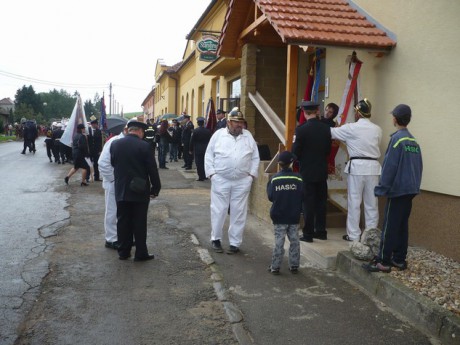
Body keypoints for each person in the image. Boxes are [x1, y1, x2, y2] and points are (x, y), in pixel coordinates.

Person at [363, 104, 423, 273]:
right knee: (402, 225)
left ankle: (383, 260)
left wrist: (382, 188)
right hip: (411, 189)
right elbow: (419, 167)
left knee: (390, 225)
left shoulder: (397, 140)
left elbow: (390, 166)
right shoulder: (413, 141)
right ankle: (399, 259)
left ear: (395, 119)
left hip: (398, 190)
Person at [205, 108, 260, 253]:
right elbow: (208, 155)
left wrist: (251, 175)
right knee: (219, 210)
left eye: (241, 122)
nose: (239, 125)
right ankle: (216, 239)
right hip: (221, 179)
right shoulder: (218, 135)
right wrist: (212, 175)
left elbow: (255, 157)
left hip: (242, 181)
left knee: (239, 211)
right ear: (229, 122)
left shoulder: (248, 136)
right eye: (236, 122)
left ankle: (235, 243)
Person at [331, 98, 382, 241]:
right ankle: (370, 236)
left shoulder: (351, 127)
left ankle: (354, 235)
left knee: (354, 202)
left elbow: (332, 133)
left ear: (358, 113)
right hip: (373, 168)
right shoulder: (378, 129)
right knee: (372, 204)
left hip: (357, 167)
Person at [110, 119, 161, 261]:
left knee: (122, 221)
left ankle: (123, 252)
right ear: (139, 131)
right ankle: (140, 253)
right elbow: (152, 170)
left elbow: (113, 163)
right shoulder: (144, 146)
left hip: (121, 188)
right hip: (139, 189)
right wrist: (155, 188)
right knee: (139, 222)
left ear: (128, 130)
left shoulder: (115, 144)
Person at [292, 101, 332, 242]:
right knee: (321, 202)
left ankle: (308, 233)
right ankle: (321, 231)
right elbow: (328, 150)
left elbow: (295, 152)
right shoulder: (326, 128)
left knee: (308, 203)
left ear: (304, 112)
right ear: (316, 111)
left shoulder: (301, 130)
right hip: (321, 169)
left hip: (307, 171)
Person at [266, 151, 303, 274]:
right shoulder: (298, 178)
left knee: (279, 242)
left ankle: (275, 267)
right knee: (294, 241)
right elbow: (303, 195)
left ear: (279, 164)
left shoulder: (274, 179)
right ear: (291, 163)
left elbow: (270, 197)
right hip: (293, 215)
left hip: (279, 215)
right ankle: (294, 266)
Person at [98, 125, 128, 250]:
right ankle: (111, 239)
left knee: (121, 212)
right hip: (114, 182)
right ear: (126, 130)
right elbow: (102, 163)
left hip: (121, 182)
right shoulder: (114, 142)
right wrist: (113, 179)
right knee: (112, 211)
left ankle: (120, 237)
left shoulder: (124, 142)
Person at [190, 117, 212, 181]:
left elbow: (192, 141)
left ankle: (200, 176)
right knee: (205, 162)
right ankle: (205, 175)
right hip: (206, 149)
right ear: (203, 123)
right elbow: (210, 140)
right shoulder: (208, 131)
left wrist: (190, 149)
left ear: (197, 123)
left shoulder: (195, 131)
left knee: (198, 163)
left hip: (197, 149)